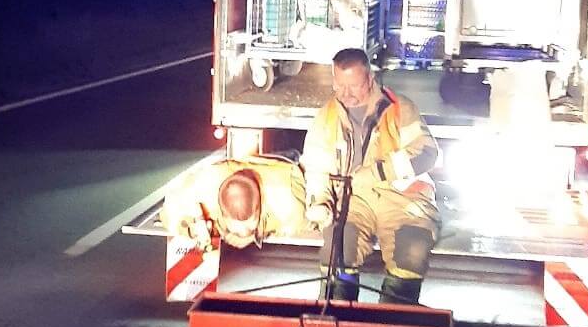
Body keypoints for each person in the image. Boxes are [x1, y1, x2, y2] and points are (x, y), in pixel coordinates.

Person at [302, 47, 440, 305]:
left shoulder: (399, 109)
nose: (346, 94)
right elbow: (316, 165)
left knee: (410, 250)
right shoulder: (327, 116)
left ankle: (391, 322)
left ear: (370, 79)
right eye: (339, 86)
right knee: (338, 250)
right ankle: (337, 317)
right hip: (353, 199)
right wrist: (319, 201)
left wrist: (378, 172)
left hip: (401, 196)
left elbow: (426, 153)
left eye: (353, 86)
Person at [161, 155, 307, 250]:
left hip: (286, 160)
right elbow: (169, 214)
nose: (244, 232)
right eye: (237, 228)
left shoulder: (289, 203)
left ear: (259, 206)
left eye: (250, 225)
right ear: (222, 211)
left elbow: (310, 221)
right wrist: (193, 227)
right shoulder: (206, 183)